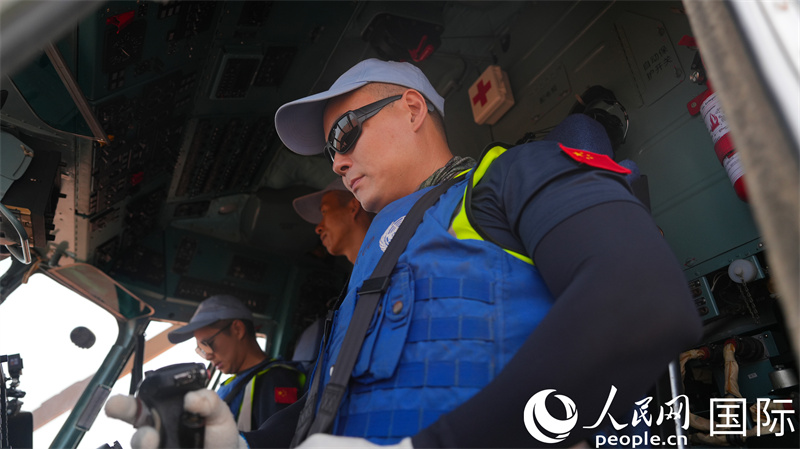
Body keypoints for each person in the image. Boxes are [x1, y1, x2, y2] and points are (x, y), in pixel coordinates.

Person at [107, 59, 703, 448]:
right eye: (330, 153)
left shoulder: (510, 177)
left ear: (413, 109)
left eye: (345, 135)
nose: (338, 162)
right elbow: (334, 405)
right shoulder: (373, 269)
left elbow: (643, 304)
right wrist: (245, 444)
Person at [167, 295, 304, 432]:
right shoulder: (235, 382)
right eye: (202, 349)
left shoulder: (276, 379)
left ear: (237, 329)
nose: (208, 356)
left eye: (208, 344)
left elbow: (279, 438)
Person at [292, 177, 373, 265]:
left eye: (324, 211)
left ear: (354, 207)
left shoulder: (381, 262)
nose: (318, 229)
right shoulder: (368, 269)